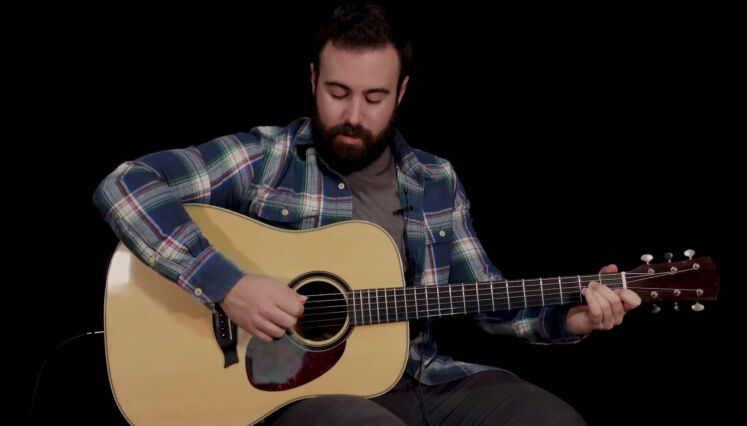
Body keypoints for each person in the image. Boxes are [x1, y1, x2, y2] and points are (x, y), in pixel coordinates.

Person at [94, 3, 641, 425]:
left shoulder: (435, 179)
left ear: (402, 92)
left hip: (425, 378)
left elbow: (485, 297)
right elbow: (125, 185)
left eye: (374, 97)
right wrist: (227, 285)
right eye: (337, 92)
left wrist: (572, 319)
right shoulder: (266, 158)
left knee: (553, 420)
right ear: (313, 80)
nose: (353, 115)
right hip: (302, 392)